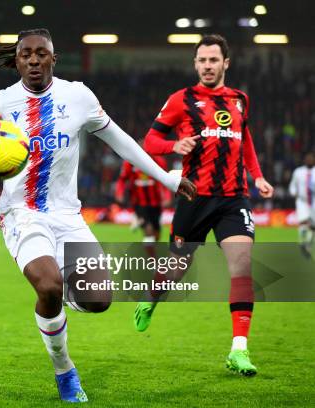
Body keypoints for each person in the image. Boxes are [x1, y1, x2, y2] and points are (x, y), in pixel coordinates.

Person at [0, 28, 195, 402]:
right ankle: (64, 370)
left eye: (42, 54)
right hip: (21, 213)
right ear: (18, 60)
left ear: (53, 59)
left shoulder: (79, 96)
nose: (34, 60)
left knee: (99, 299)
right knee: (48, 283)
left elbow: (122, 141)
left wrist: (166, 178)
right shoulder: (1, 105)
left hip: (67, 216)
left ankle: (60, 305)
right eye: (26, 55)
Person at [136, 34, 274, 376]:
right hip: (193, 197)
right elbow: (150, 141)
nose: (208, 66)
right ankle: (152, 297)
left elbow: (246, 142)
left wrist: (257, 176)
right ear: (195, 64)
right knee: (177, 269)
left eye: (214, 60)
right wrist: (174, 146)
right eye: (202, 60)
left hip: (233, 198)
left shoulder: (240, 100)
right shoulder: (181, 100)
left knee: (242, 267)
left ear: (225, 63)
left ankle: (238, 350)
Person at [115, 139, 171, 255]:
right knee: (149, 231)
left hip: (156, 203)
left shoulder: (159, 161)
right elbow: (122, 180)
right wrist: (119, 194)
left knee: (156, 234)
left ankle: (149, 249)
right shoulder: (129, 163)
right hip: (139, 203)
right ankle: (152, 262)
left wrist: (167, 196)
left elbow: (165, 180)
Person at [289, 152, 315, 258]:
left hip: (313, 201)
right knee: (303, 221)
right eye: (307, 159)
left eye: (311, 159)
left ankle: (307, 244)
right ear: (304, 160)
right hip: (302, 201)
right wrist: (294, 193)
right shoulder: (298, 172)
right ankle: (302, 242)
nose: (309, 160)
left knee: (313, 225)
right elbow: (292, 186)